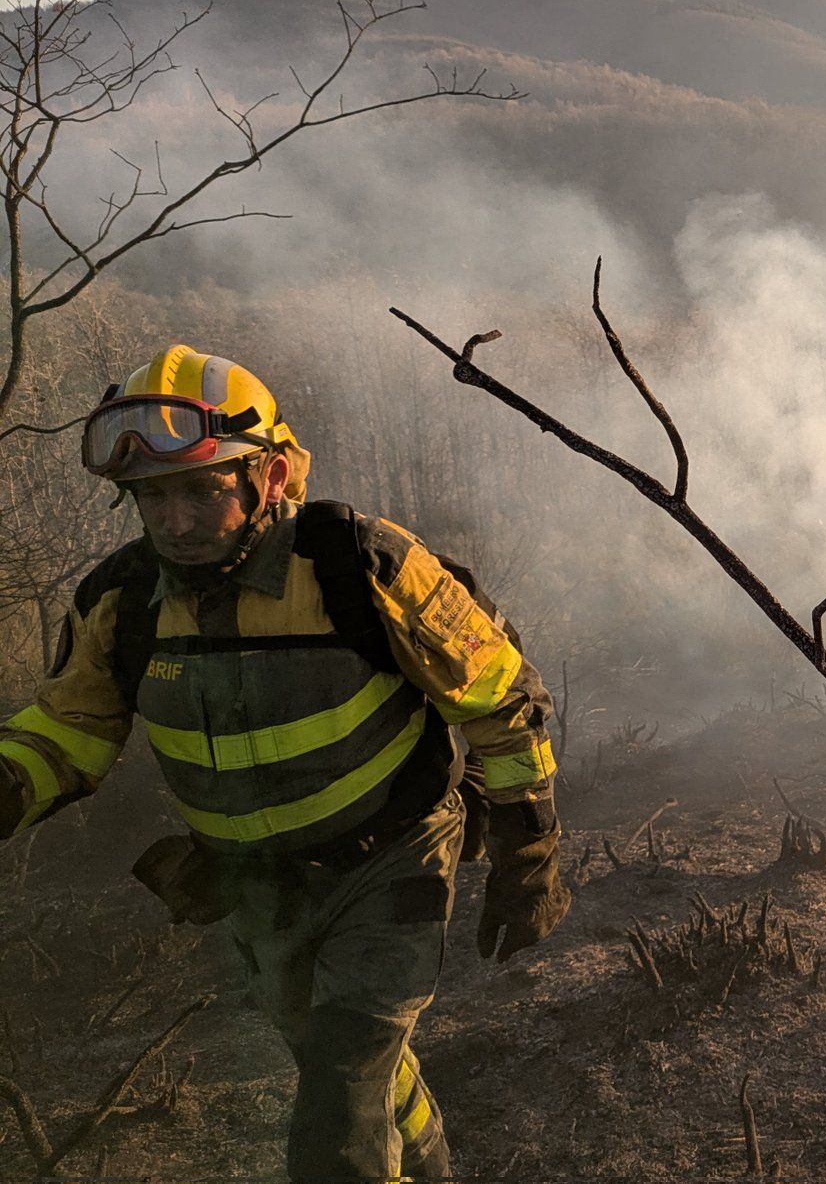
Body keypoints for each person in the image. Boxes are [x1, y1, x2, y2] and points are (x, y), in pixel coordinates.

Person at [0, 345, 568, 1183]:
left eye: (201, 489)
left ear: (269, 478)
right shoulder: (123, 601)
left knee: (342, 1085)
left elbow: (499, 698)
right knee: (341, 1059)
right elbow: (69, 732)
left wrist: (528, 849)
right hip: (254, 883)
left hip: (394, 860)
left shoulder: (358, 567)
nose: (177, 522)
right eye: (153, 497)